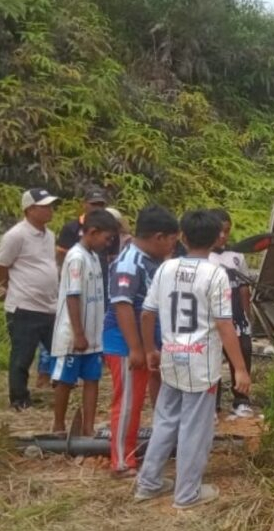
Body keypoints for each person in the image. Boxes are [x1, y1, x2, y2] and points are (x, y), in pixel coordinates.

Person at [135, 210, 250, 509]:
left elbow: (147, 313)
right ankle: (187, 494)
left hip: (171, 356)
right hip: (201, 362)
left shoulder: (166, 268)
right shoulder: (216, 274)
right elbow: (225, 324)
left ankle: (148, 483)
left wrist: (150, 349)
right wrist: (240, 368)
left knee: (165, 420)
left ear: (182, 237)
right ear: (215, 239)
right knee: (195, 428)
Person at [103, 205, 179, 478]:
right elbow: (122, 305)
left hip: (146, 344)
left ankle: (153, 450)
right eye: (172, 240)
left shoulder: (149, 260)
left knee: (148, 398)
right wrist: (136, 348)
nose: (173, 246)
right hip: (125, 343)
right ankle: (122, 461)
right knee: (127, 403)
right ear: (159, 237)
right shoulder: (129, 262)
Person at [49, 210, 120, 436]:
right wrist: (78, 333)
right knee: (66, 380)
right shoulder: (76, 257)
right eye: (107, 238)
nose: (109, 244)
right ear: (93, 232)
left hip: (93, 334)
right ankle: (58, 425)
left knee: (92, 379)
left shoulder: (94, 257)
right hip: (74, 334)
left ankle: (88, 427)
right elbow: (73, 295)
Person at [0, 188, 59, 410]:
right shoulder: (16, 235)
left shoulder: (49, 235)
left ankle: (60, 387)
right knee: (22, 357)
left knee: (59, 349)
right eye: (44, 206)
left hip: (48, 306)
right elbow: (2, 265)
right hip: (24, 305)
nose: (49, 210)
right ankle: (19, 400)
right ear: (30, 209)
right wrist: (4, 288)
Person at [208, 209, 255, 418]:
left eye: (226, 231)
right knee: (213, 361)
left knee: (242, 356)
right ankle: (213, 405)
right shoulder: (205, 257)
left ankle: (242, 401)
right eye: (218, 231)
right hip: (214, 318)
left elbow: (244, 287)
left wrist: (248, 314)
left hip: (237, 316)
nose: (222, 236)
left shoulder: (237, 256)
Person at [57, 186, 119, 290]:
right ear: (85, 204)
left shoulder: (110, 228)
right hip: (76, 280)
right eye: (93, 204)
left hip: (101, 280)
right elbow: (61, 255)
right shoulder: (71, 227)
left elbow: (113, 258)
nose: (97, 208)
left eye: (100, 205)